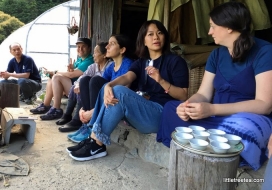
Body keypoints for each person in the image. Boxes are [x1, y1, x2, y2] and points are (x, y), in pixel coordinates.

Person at [156, 2, 272, 171]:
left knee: (244, 130)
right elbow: (203, 93)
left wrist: (212, 110)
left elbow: (264, 104)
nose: (209, 32)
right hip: (214, 115)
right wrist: (188, 105)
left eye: (212, 26)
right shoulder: (216, 54)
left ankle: (209, 146)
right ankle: (213, 146)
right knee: (170, 109)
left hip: (247, 117)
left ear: (229, 27)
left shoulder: (265, 52)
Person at [67, 20, 189, 161]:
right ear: (144, 40)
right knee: (107, 88)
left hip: (161, 114)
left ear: (164, 37)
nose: (156, 37)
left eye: (159, 33)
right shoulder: (141, 62)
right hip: (142, 113)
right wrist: (108, 85)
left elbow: (183, 95)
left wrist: (161, 80)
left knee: (118, 91)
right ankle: (93, 138)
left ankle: (97, 143)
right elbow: (127, 77)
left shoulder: (175, 62)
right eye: (150, 34)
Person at [60, 34, 134, 139]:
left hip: (117, 101)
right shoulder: (112, 66)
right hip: (108, 98)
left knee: (95, 80)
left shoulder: (128, 64)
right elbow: (98, 88)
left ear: (122, 50)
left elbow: (124, 92)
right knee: (85, 79)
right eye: (108, 44)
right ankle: (87, 125)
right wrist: (84, 109)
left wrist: (93, 111)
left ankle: (93, 125)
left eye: (111, 44)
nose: (107, 47)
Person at [30, 37, 93, 120]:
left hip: (79, 92)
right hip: (73, 88)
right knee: (52, 78)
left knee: (56, 76)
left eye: (83, 46)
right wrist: (69, 69)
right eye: (78, 47)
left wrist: (55, 72)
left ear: (89, 48)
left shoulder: (89, 61)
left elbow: (71, 75)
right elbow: (71, 73)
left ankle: (56, 109)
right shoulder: (80, 60)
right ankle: (46, 105)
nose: (80, 49)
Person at [56, 42, 112, 133]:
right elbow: (82, 77)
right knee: (82, 82)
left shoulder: (110, 66)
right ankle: (75, 117)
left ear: (104, 55)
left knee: (93, 81)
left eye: (96, 52)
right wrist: (78, 85)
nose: (93, 55)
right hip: (91, 98)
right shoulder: (93, 66)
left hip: (103, 97)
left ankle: (78, 120)